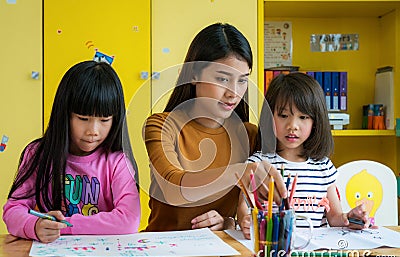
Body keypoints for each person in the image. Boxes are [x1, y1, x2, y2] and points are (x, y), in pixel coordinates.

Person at [143, 23, 286, 232]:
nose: (233, 93)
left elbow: (245, 212)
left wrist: (228, 223)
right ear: (194, 74)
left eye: (242, 81)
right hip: (164, 250)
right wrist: (239, 172)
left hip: (220, 250)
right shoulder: (162, 125)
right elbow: (174, 188)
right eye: (222, 79)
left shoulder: (250, 135)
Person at [3, 61, 140, 243]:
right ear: (64, 114)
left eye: (104, 119)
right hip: (51, 253)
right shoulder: (38, 154)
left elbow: (129, 220)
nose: (93, 130)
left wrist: (65, 225)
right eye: (83, 118)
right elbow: (13, 210)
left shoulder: (117, 161)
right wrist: (34, 225)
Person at [238, 72, 370, 239]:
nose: (292, 126)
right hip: (273, 249)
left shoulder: (323, 167)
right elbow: (243, 207)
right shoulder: (258, 165)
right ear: (269, 116)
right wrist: (246, 220)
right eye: (283, 115)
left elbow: (335, 217)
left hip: (313, 253)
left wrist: (350, 218)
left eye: (303, 117)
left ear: (315, 122)